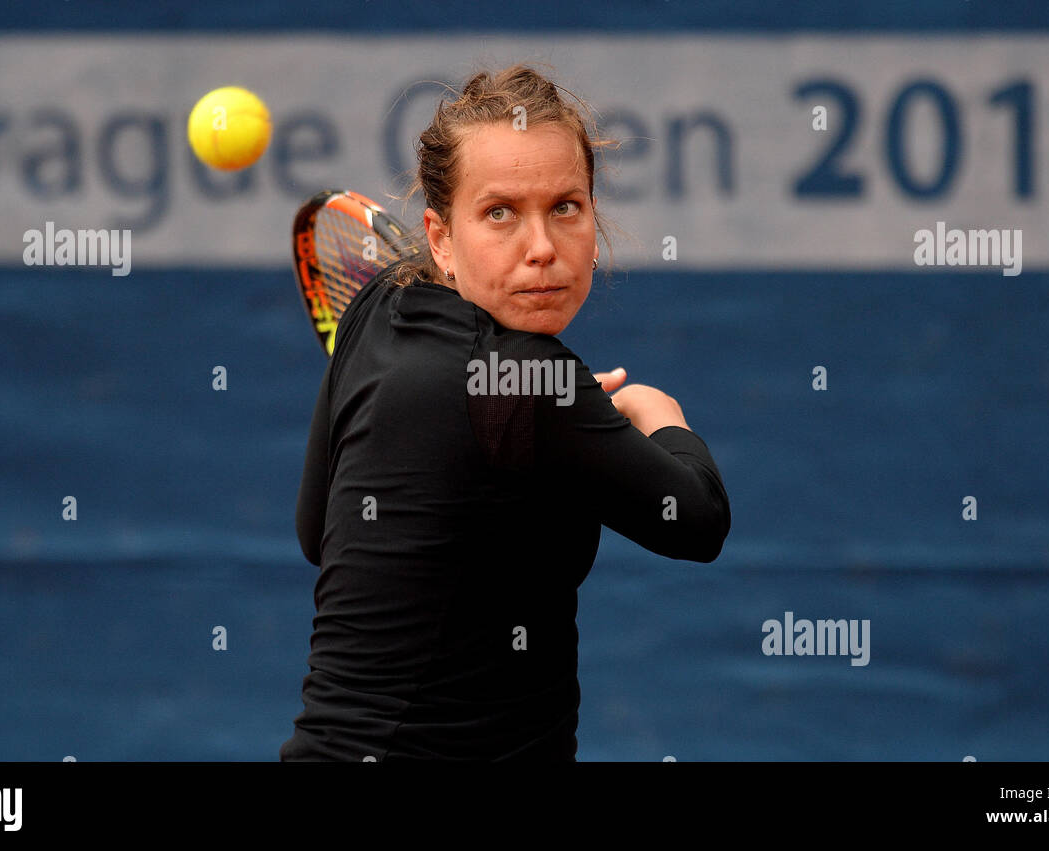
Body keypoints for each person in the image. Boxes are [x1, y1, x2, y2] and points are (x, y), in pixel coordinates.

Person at [280, 65, 730, 761]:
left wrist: (558, 431)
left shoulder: (376, 308)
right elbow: (697, 519)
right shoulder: (527, 383)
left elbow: (320, 536)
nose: (542, 246)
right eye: (500, 213)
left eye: (565, 207)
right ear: (439, 236)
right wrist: (656, 412)